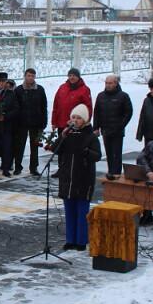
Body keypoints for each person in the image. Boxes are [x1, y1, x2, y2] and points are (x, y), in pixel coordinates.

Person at [56, 104, 101, 251]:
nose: (75, 120)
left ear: (85, 120)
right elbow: (56, 150)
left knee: (82, 211)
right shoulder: (67, 134)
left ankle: (81, 241)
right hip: (67, 178)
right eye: (73, 117)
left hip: (83, 178)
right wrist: (61, 137)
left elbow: (97, 156)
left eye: (79, 118)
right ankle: (70, 239)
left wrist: (86, 151)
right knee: (69, 210)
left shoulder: (90, 136)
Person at [92, 74, 133, 179]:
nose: (108, 85)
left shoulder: (123, 96)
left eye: (110, 83)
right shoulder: (101, 96)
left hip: (117, 131)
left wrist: (121, 125)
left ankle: (117, 173)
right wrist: (96, 127)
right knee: (109, 153)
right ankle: (110, 171)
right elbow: (96, 112)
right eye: (106, 83)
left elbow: (128, 112)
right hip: (106, 129)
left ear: (115, 83)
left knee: (116, 154)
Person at [12, 68, 47, 177]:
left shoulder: (40, 89)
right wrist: (16, 122)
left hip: (36, 123)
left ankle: (34, 167)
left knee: (34, 147)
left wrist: (44, 121)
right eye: (28, 75)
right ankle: (18, 167)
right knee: (19, 146)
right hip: (21, 123)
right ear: (25, 76)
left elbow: (43, 107)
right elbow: (15, 107)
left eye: (32, 76)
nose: (30, 78)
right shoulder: (18, 90)